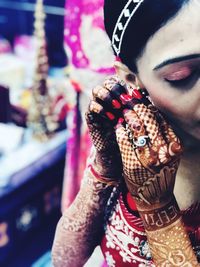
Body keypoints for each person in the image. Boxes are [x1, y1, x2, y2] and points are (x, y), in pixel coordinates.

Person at [52, 0, 200, 266]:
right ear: (131, 78)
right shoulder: (132, 142)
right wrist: (104, 167)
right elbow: (65, 260)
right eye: (182, 76)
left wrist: (157, 211)